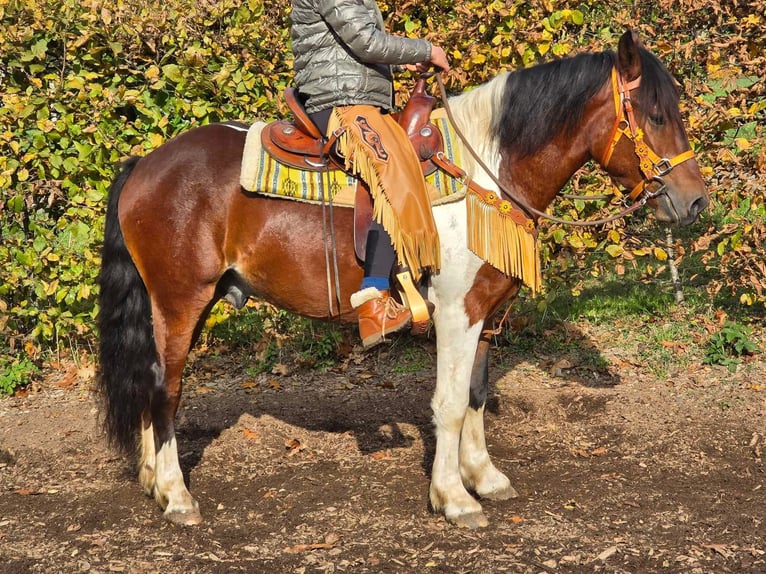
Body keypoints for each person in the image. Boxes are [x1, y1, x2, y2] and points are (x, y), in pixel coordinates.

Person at [290, 0, 450, 348]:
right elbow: (364, 40)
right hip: (341, 102)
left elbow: (357, 45)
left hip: (356, 97)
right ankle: (375, 297)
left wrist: (402, 58)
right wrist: (427, 49)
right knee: (393, 171)